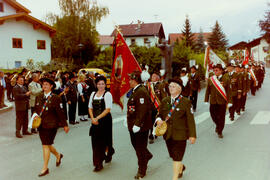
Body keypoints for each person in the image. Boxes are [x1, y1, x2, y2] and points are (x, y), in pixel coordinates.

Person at [156, 78, 196, 180]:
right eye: (170, 86)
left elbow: (190, 120)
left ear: (179, 89)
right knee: (173, 155)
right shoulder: (165, 101)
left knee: (177, 156)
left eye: (173, 86)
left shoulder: (186, 102)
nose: (170, 88)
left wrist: (192, 135)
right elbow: (159, 115)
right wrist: (158, 120)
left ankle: (175, 177)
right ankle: (181, 167)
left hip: (181, 135)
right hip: (168, 134)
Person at [34, 78, 69, 177]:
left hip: (51, 125)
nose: (44, 86)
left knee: (45, 145)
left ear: (51, 86)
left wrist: (65, 125)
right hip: (41, 125)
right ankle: (58, 155)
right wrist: (34, 119)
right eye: (43, 85)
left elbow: (60, 113)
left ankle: (45, 168)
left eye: (46, 85)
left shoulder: (56, 98)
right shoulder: (39, 96)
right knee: (47, 145)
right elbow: (35, 110)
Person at [127, 71, 153, 179]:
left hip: (140, 126)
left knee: (140, 149)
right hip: (134, 124)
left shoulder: (141, 91)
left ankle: (142, 170)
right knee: (136, 145)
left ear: (135, 80)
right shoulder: (136, 90)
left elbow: (142, 110)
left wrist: (137, 124)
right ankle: (147, 155)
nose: (129, 81)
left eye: (130, 80)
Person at [88, 75, 115, 172]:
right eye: (99, 84)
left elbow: (107, 109)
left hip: (105, 120)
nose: (100, 85)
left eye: (102, 84)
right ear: (96, 84)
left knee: (105, 140)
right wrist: (92, 118)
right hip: (95, 120)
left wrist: (97, 118)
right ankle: (98, 163)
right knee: (95, 142)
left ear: (105, 84)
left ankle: (110, 151)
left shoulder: (108, 94)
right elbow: (90, 107)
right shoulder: (93, 94)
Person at [204, 64, 231, 138]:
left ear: (221, 71)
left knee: (221, 117)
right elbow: (207, 91)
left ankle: (220, 131)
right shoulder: (211, 79)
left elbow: (228, 91)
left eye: (217, 70)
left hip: (222, 102)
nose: (215, 71)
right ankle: (217, 125)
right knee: (213, 115)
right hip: (213, 101)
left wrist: (230, 102)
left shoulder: (226, 79)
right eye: (214, 70)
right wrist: (206, 100)